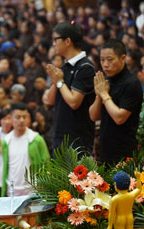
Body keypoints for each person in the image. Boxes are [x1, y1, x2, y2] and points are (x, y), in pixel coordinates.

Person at [89, 39, 143, 164]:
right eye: (102, 60)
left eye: (110, 59)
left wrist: (104, 94)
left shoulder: (131, 83)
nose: (105, 64)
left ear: (123, 58)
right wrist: (98, 96)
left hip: (124, 152)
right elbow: (93, 116)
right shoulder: (107, 81)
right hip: (105, 150)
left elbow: (120, 118)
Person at [45, 21, 96, 154]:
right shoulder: (64, 67)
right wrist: (55, 82)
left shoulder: (85, 68)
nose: (54, 43)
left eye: (56, 39)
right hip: (59, 134)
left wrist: (60, 82)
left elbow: (74, 102)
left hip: (77, 139)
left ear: (68, 41)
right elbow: (49, 101)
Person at [1, 102, 50, 197]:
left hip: (32, 189)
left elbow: (46, 164)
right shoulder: (6, 141)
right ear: (11, 118)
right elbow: (6, 168)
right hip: (12, 189)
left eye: (25, 117)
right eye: (18, 117)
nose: (22, 120)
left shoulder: (36, 139)